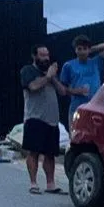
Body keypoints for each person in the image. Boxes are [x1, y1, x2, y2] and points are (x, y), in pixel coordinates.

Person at [20, 45, 66, 195]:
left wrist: (52, 77)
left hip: (52, 120)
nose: (46, 58)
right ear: (34, 56)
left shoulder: (50, 74)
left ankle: (50, 184)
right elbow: (32, 87)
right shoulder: (28, 70)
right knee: (33, 152)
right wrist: (47, 77)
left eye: (47, 55)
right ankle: (33, 183)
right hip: (35, 118)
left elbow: (62, 91)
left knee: (50, 154)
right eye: (42, 55)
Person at [60, 35, 104, 127]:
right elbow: (62, 89)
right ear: (75, 50)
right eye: (79, 49)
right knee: (76, 138)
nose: (82, 52)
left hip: (96, 109)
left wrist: (94, 49)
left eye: (85, 49)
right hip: (77, 109)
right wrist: (75, 91)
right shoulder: (68, 65)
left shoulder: (96, 62)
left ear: (89, 50)